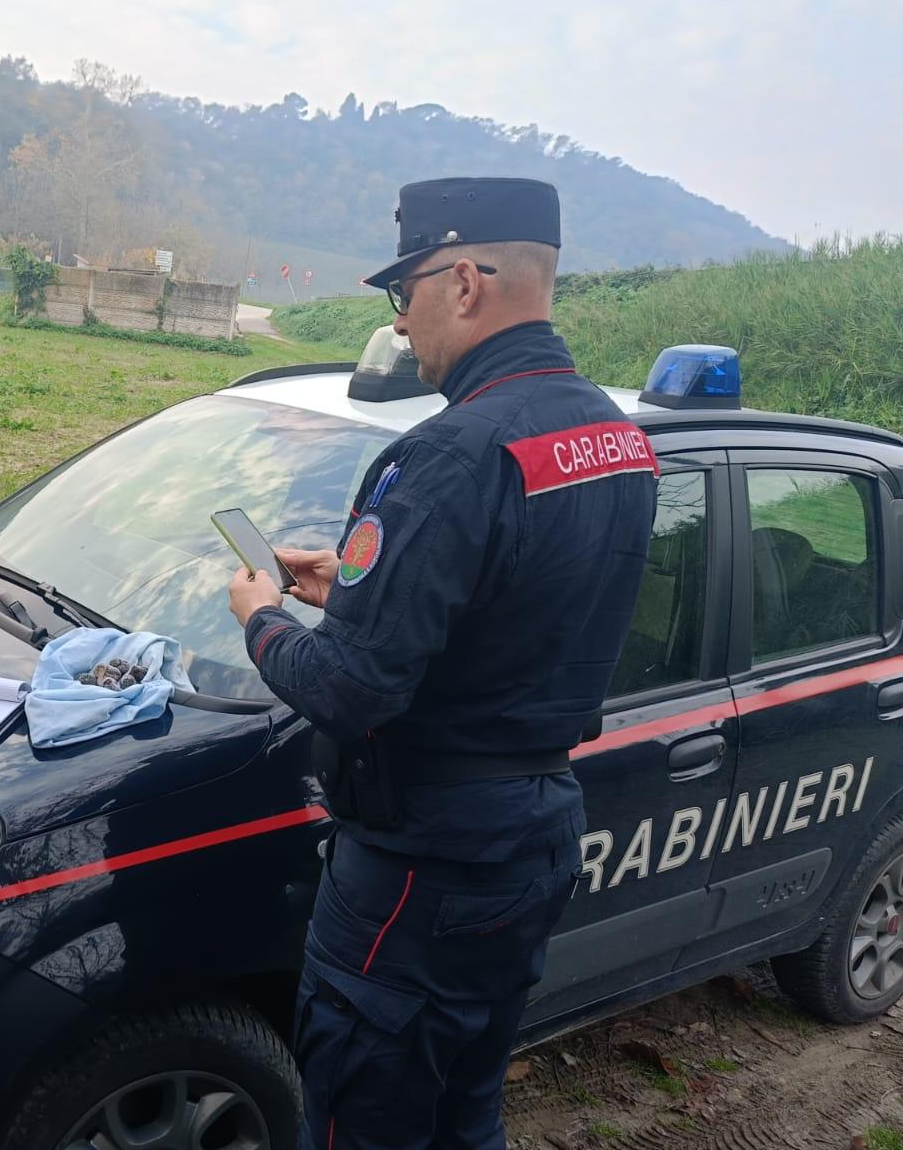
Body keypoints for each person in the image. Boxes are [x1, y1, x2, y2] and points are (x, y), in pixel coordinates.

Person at [227, 179, 658, 1149]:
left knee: (357, 1120)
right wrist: (354, 592)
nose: (400, 321)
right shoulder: (613, 437)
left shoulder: (448, 456)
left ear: (462, 280)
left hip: (421, 866)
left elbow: (349, 689)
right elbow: (515, 611)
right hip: (530, 840)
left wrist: (261, 619)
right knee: (465, 1107)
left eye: (402, 291)